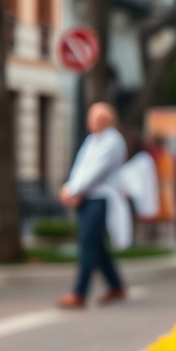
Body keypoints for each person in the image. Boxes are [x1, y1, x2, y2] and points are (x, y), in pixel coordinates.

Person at [57, 102, 128, 308]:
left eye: (95, 118)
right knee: (96, 246)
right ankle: (116, 286)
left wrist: (74, 190)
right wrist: (71, 187)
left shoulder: (113, 141)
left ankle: (79, 292)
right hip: (86, 197)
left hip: (100, 198)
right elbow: (80, 167)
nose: (91, 121)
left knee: (88, 243)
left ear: (105, 120)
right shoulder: (92, 140)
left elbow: (96, 171)